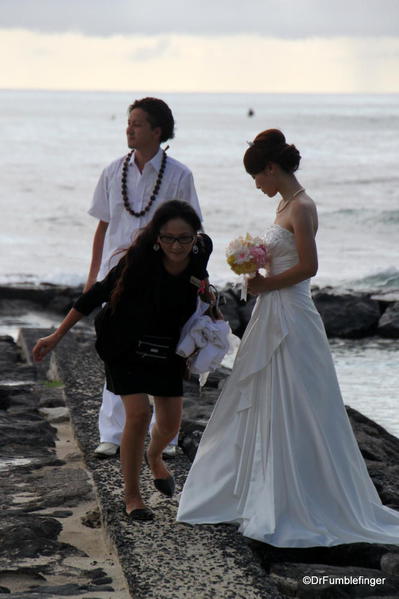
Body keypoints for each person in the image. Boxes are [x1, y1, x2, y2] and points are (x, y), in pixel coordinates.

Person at [176, 129, 399, 546]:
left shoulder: (303, 208)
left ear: (272, 169)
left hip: (292, 313)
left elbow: (310, 267)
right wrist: (255, 276)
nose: (256, 184)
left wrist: (265, 284)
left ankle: (298, 496)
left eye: (257, 176)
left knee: (297, 397)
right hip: (271, 310)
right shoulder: (284, 204)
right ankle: (253, 488)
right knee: (260, 393)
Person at [33, 201, 213, 521]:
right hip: (123, 345)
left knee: (170, 423)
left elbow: (200, 284)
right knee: (139, 415)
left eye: (184, 238)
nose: (176, 245)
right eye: (168, 238)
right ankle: (133, 497)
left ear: (196, 237)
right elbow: (95, 295)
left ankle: (154, 457)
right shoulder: (139, 261)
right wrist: (56, 336)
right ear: (157, 237)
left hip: (168, 347)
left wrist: (209, 299)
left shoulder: (201, 251)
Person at [85, 97, 202, 458]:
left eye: (137, 123)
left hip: (164, 278)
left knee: (161, 353)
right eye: (128, 122)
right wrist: (93, 278)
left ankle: (162, 438)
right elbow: (104, 227)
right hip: (118, 278)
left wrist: (198, 282)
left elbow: (194, 232)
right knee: (117, 350)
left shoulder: (179, 175)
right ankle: (112, 433)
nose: (129, 128)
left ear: (157, 130)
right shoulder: (111, 172)